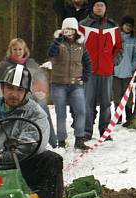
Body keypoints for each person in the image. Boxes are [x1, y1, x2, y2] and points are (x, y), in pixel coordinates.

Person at [0, 65, 63, 198]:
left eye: (19, 90)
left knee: (52, 159)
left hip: (23, 165)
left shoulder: (36, 114)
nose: (14, 94)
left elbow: (30, 145)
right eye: (10, 88)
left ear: (26, 92)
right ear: (2, 88)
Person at [0, 38, 57, 148]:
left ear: (25, 50)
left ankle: (53, 142)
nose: (18, 52)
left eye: (20, 49)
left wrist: (41, 92)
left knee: (43, 109)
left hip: (31, 95)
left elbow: (41, 78)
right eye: (15, 49)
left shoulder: (31, 63)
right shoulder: (4, 64)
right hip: (12, 98)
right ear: (10, 50)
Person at [79, 0, 122, 139]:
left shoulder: (113, 26)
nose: (99, 8)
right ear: (92, 7)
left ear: (105, 8)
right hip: (88, 71)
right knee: (87, 103)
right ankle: (86, 132)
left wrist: (113, 61)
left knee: (106, 104)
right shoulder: (83, 25)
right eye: (96, 5)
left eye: (101, 5)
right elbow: (77, 47)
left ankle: (105, 131)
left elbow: (119, 47)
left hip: (106, 71)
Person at [48, 17, 92, 150]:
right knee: (61, 113)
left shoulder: (81, 45)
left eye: (72, 29)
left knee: (81, 111)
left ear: (76, 30)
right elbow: (50, 53)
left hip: (76, 85)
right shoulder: (58, 43)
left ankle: (79, 139)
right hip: (58, 84)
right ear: (63, 30)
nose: (70, 32)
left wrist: (85, 77)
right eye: (67, 29)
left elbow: (88, 63)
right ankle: (61, 141)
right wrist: (58, 40)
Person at [113, 16, 136, 125]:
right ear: (122, 25)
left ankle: (129, 115)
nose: (128, 27)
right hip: (116, 71)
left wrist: (133, 68)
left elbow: (135, 56)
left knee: (128, 95)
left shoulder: (133, 40)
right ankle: (118, 116)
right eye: (126, 25)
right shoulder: (116, 37)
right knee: (117, 94)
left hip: (128, 72)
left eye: (130, 26)